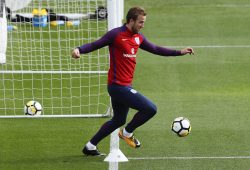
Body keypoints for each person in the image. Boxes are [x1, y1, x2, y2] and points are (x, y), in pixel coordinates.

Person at [71, 6, 194, 156]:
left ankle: (89, 147)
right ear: (131, 20)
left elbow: (156, 49)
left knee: (118, 120)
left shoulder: (138, 37)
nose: (143, 25)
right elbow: (95, 44)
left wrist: (180, 52)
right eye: (140, 22)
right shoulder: (116, 34)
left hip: (125, 86)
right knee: (150, 108)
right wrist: (79, 49)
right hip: (117, 87)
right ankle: (127, 133)